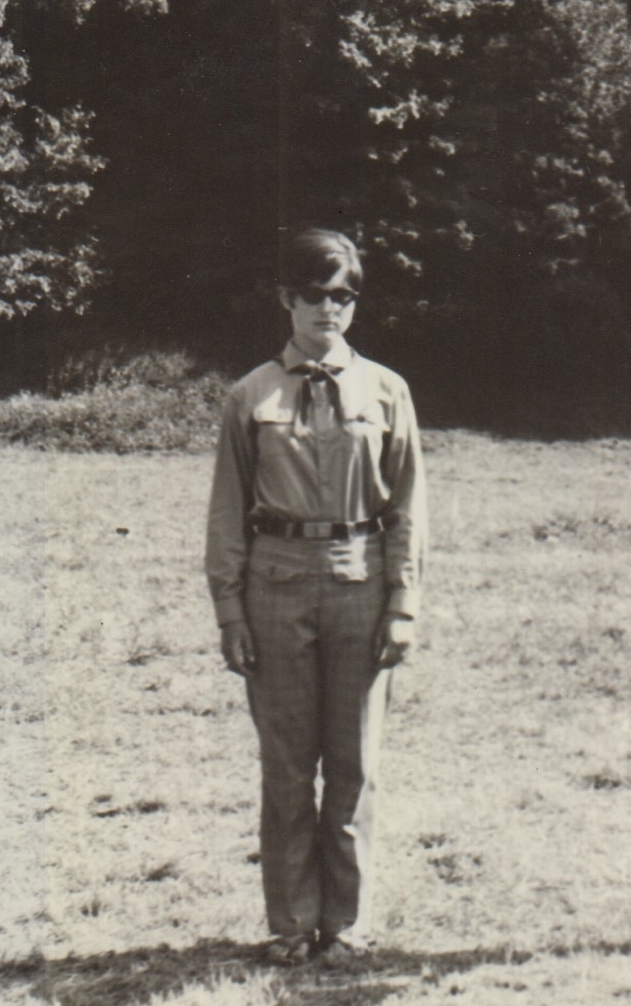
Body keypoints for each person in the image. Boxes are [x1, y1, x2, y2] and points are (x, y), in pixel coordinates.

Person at [206, 228, 426, 965]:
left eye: (343, 295)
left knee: (355, 764)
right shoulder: (251, 395)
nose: (328, 308)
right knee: (287, 767)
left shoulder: (387, 391)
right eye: (313, 294)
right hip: (276, 584)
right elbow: (227, 511)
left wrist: (403, 604)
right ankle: (293, 924)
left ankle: (347, 925)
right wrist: (230, 611)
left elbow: (408, 507)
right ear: (286, 299)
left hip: (360, 579)